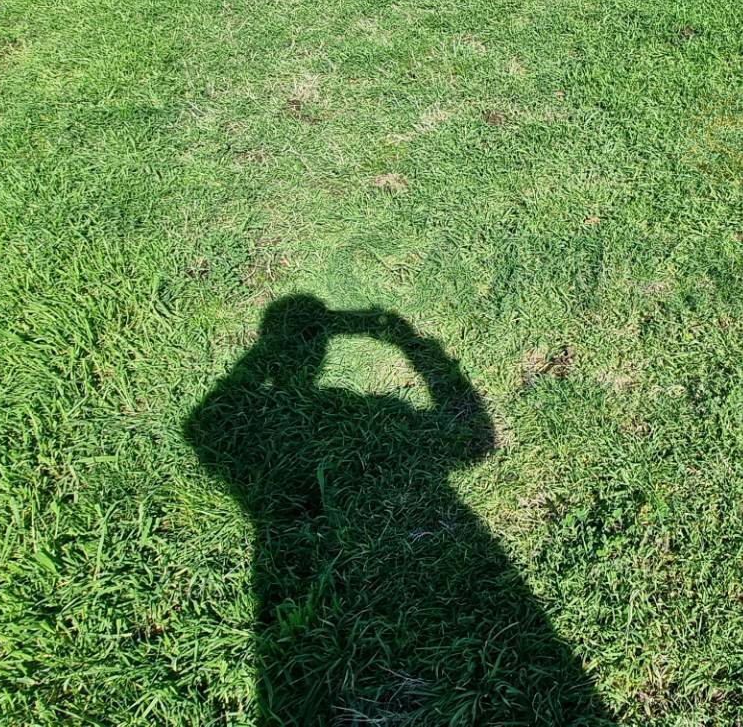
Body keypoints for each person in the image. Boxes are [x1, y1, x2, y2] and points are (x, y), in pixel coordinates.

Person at [186, 294, 607, 725]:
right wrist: (410, 342)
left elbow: (209, 422)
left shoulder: (223, 425)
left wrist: (270, 350)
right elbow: (476, 440)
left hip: (288, 573)